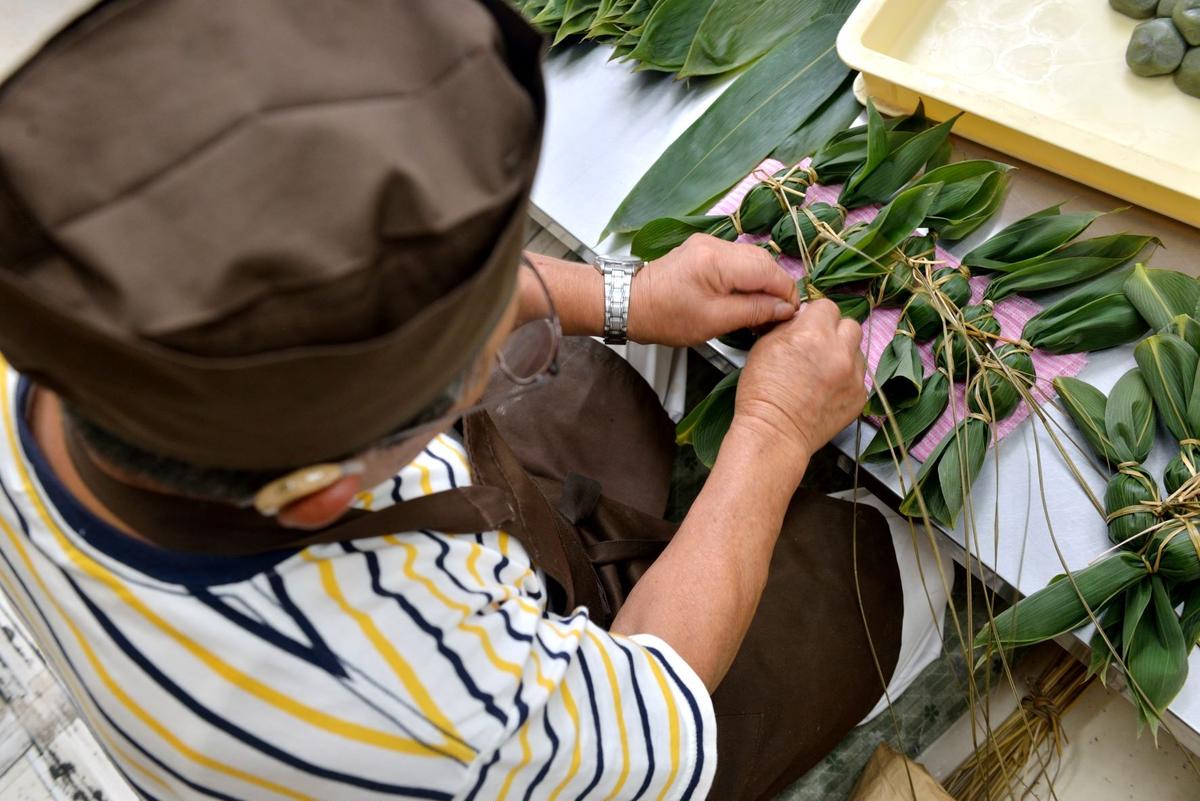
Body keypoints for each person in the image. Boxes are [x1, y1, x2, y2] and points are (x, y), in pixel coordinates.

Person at [0, 2, 915, 800]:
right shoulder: (425, 716)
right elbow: (648, 695)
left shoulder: (61, 298)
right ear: (328, 489)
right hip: (508, 751)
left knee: (606, 396)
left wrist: (627, 299)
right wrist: (773, 431)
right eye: (479, 367)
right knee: (880, 571)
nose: (516, 331)